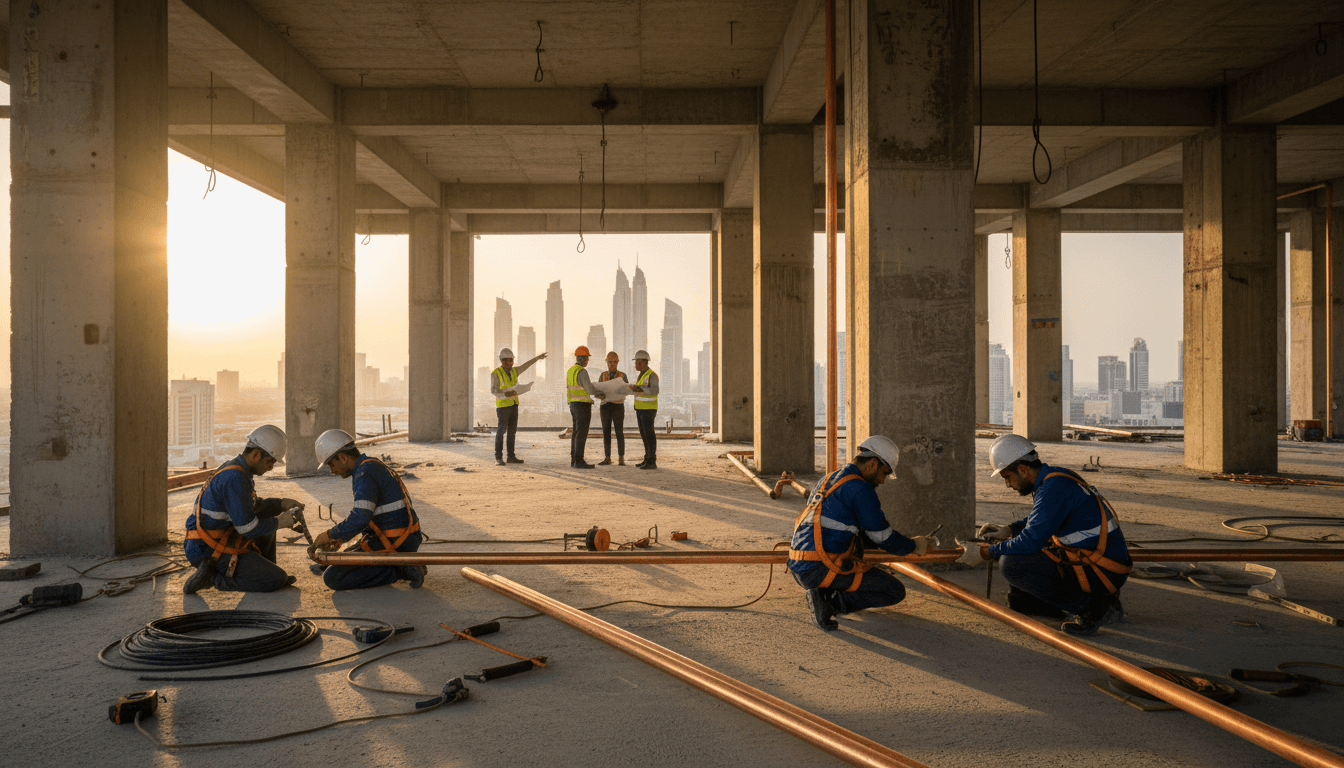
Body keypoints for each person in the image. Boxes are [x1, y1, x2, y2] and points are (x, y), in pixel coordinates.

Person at [958, 434, 1132, 636]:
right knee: (1020, 554)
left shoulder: (1053, 489)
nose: (1007, 484)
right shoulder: (1055, 478)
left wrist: (986, 553)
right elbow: (1043, 518)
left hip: (1103, 570)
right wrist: (1009, 530)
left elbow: (1031, 541)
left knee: (1012, 564)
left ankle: (1092, 608)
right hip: (1103, 563)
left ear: (1023, 470)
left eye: (1007, 477)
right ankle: (1104, 601)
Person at [787, 436, 935, 631]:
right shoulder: (860, 488)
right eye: (884, 473)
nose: (882, 480)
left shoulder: (828, 479)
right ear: (872, 464)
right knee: (894, 591)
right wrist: (914, 545)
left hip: (799, 565)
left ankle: (823, 592)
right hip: (820, 568)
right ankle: (829, 602)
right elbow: (883, 537)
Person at [183, 425, 305, 594]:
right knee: (276, 579)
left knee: (268, 524)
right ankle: (212, 578)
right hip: (206, 550)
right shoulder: (235, 478)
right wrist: (280, 522)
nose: (271, 467)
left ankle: (266, 571)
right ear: (255, 455)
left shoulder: (237, 470)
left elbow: (250, 507)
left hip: (216, 538)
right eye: (270, 461)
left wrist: (281, 504)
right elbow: (247, 528)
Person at [308, 429, 427, 590]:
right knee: (342, 557)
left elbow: (360, 517)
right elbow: (368, 517)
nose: (332, 471)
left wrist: (330, 534)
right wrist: (341, 539)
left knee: (333, 577)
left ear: (343, 457)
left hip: (396, 541)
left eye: (331, 464)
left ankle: (401, 570)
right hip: (399, 536)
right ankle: (401, 564)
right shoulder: (369, 466)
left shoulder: (365, 474)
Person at [490, 347, 546, 466]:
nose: (509, 363)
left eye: (511, 360)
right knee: (501, 431)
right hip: (503, 406)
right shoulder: (496, 373)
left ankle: (511, 456)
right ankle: (498, 457)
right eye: (506, 360)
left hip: (514, 405)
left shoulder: (514, 371)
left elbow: (525, 366)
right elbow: (494, 390)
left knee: (512, 432)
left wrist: (538, 358)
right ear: (501, 360)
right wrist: (506, 394)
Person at [566, 345, 606, 468]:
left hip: (573, 405)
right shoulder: (582, 371)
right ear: (582, 359)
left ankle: (574, 460)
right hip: (582, 406)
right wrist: (599, 393)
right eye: (587, 358)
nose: (588, 360)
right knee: (581, 433)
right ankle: (579, 461)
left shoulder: (570, 371)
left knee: (576, 433)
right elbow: (589, 389)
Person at [628, 349, 659, 469]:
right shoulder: (641, 375)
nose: (636, 364)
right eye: (636, 362)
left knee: (649, 434)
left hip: (648, 409)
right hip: (640, 408)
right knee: (644, 434)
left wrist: (639, 388)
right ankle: (647, 458)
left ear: (645, 362)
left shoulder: (652, 375)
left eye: (639, 362)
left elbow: (655, 391)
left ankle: (652, 461)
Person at [597, 351, 629, 465]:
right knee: (606, 432)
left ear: (617, 362)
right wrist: (599, 395)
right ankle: (607, 458)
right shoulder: (602, 375)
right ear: (607, 363)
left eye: (614, 362)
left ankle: (621, 459)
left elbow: (627, 390)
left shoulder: (622, 376)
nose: (612, 364)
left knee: (619, 432)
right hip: (605, 406)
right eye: (610, 362)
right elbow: (597, 390)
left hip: (618, 406)